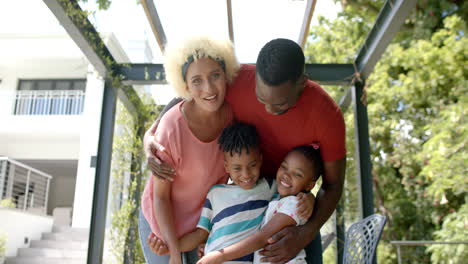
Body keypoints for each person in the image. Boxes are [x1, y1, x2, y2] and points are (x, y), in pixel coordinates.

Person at [145, 38, 346, 263]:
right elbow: (190, 92)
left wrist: (303, 234)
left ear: (301, 83)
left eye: (279, 105)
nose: (269, 109)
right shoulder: (239, 80)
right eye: (261, 99)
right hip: (249, 200)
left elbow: (334, 185)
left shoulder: (327, 116)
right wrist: (151, 134)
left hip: (289, 201)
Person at [138, 36, 239, 264]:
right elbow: (160, 197)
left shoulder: (232, 119)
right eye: (197, 81)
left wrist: (209, 229)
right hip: (160, 224)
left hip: (198, 229)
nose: (209, 88)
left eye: (215, 75)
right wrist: (174, 253)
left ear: (226, 75)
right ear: (185, 86)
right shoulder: (172, 128)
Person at [152, 122, 314, 263]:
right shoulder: (214, 194)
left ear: (261, 159)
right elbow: (200, 234)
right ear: (226, 166)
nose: (246, 174)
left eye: (252, 165)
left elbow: (291, 200)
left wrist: (309, 198)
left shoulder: (270, 188)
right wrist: (169, 247)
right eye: (237, 168)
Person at [196, 144, 323, 264]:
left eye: (297, 174)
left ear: (309, 185)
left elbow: (262, 238)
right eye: (284, 167)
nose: (286, 175)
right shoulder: (276, 198)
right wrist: (211, 245)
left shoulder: (295, 205)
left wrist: (220, 255)